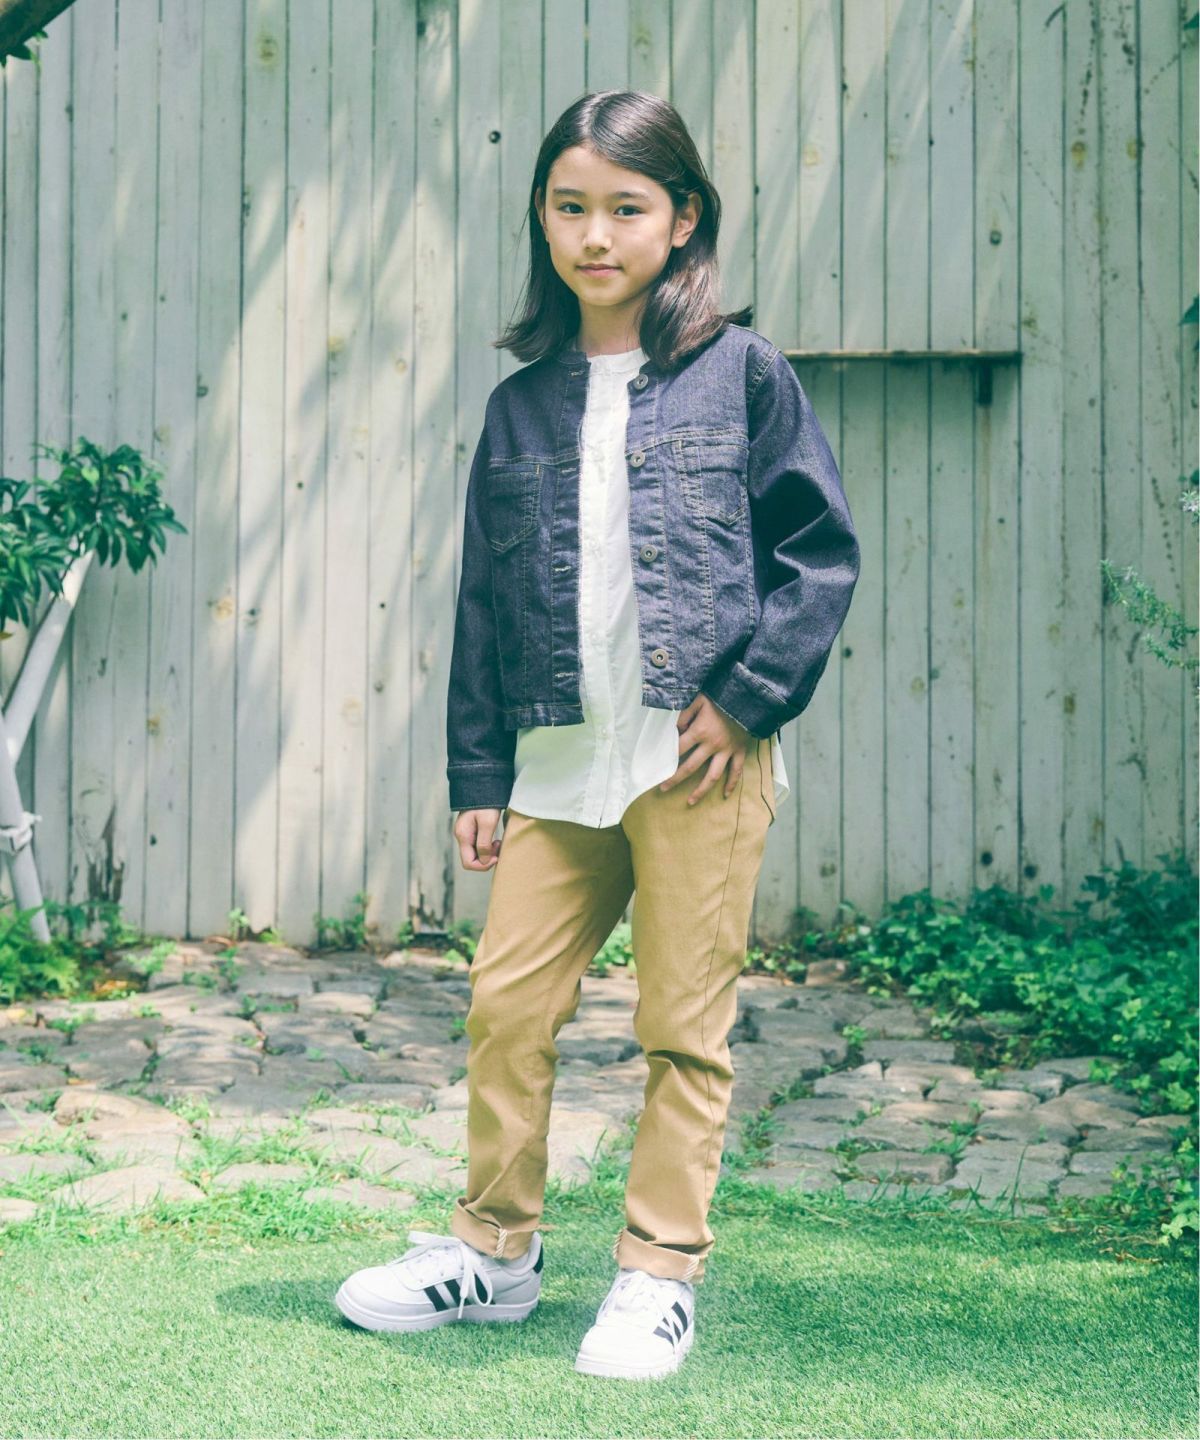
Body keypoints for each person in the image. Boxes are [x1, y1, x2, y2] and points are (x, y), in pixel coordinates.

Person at [335, 89, 860, 1381]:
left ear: (683, 221)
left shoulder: (745, 375)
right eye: (571, 207)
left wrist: (747, 698)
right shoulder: (519, 407)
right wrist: (476, 771)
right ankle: (494, 1255)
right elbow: (481, 600)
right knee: (506, 1006)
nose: (595, 234)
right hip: (557, 763)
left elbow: (819, 557)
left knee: (683, 1026)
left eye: (626, 208)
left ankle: (657, 1274)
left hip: (697, 763)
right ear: (543, 219)